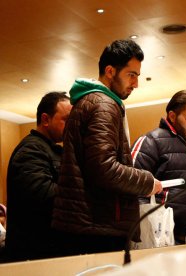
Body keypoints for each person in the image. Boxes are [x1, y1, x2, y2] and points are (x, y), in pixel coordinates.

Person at [51, 39, 163, 256]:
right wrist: (147, 182)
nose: (136, 84)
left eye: (137, 76)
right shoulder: (103, 104)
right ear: (110, 71)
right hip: (96, 226)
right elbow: (104, 168)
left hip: (89, 223)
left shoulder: (93, 101)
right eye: (131, 75)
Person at [131, 90, 186, 244]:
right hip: (160, 240)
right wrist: (148, 233)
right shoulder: (150, 141)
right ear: (172, 116)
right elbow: (133, 189)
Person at [4, 92, 72, 262]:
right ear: (45, 119)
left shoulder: (52, 149)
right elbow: (44, 196)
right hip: (34, 254)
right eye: (66, 120)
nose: (71, 126)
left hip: (47, 250)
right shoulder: (31, 150)